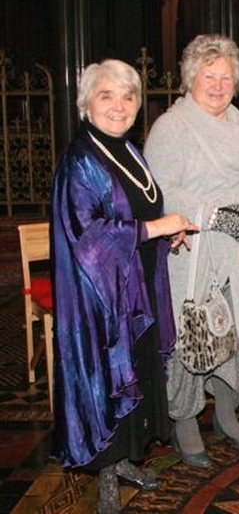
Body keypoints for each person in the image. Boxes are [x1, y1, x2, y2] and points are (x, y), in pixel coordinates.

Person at [51, 59, 198, 513]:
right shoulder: (81, 159)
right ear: (86, 104)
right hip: (99, 301)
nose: (119, 105)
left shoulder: (129, 150)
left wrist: (163, 234)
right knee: (110, 378)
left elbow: (140, 208)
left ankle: (126, 462)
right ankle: (107, 481)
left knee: (137, 373)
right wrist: (153, 229)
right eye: (106, 96)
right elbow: (88, 237)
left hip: (136, 289)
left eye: (128, 96)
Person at [144, 34, 239, 467]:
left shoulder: (238, 125)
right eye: (208, 75)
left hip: (238, 251)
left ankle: (228, 416)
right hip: (192, 249)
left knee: (235, 334)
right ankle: (185, 422)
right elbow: (160, 191)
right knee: (192, 336)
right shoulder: (171, 127)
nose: (218, 85)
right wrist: (214, 215)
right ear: (190, 77)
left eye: (226, 77)